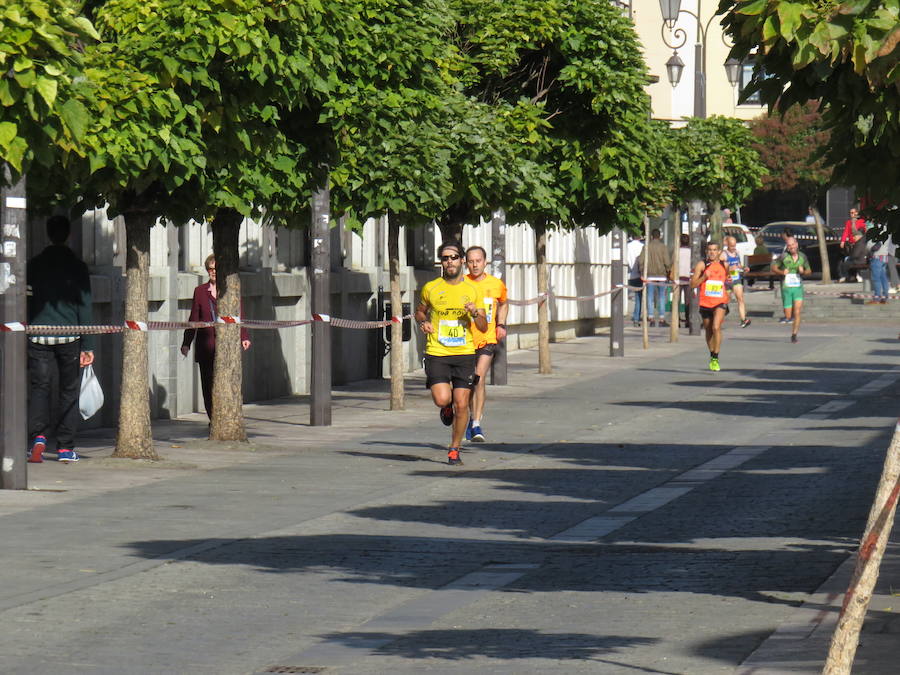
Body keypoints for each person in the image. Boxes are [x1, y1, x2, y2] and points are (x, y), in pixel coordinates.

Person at [27, 215, 95, 463]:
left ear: (47, 234)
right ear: (69, 235)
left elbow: (27, 298)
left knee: (39, 388)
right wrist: (88, 344)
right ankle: (66, 447)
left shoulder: (34, 265)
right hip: (69, 335)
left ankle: (38, 437)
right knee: (68, 390)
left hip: (38, 334)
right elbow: (84, 306)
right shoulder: (77, 267)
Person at [415, 241, 487, 465]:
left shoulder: (473, 290)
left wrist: (475, 313)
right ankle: (445, 408)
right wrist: (424, 322)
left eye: (454, 257)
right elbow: (420, 312)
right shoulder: (432, 288)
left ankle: (454, 448)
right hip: (437, 351)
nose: (450, 261)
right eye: (445, 258)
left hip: (464, 353)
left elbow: (483, 326)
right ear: (441, 263)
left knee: (462, 404)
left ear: (462, 260)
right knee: (442, 399)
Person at [180, 255, 251, 419]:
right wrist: (186, 343)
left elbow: (239, 315)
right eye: (210, 269)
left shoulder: (230, 291)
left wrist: (244, 336)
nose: (213, 272)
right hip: (207, 349)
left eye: (216, 269)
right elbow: (194, 319)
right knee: (208, 386)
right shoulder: (200, 292)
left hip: (226, 348)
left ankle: (227, 418)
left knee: (226, 385)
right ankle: (213, 420)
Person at [463, 245, 508, 443]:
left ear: (485, 262)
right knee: (465, 383)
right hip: (464, 340)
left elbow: (504, 303)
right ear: (466, 263)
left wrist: (501, 324)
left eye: (478, 261)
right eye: (471, 261)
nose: (474, 265)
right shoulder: (460, 283)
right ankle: (466, 417)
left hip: (487, 338)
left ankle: (476, 423)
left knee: (478, 378)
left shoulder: (496, 284)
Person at [691, 241, 729, 372]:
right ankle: (712, 353)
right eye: (710, 250)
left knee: (716, 327)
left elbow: (728, 279)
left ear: (719, 252)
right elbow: (692, 284)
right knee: (708, 329)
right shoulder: (702, 265)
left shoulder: (724, 264)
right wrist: (703, 278)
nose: (712, 252)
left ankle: (715, 357)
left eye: (715, 250)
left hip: (720, 301)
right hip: (706, 302)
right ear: (707, 252)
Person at [771, 237, 810, 343]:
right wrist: (781, 272)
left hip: (797, 288)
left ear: (796, 244)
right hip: (786, 288)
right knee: (788, 315)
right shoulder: (783, 256)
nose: (791, 247)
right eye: (789, 245)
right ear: (787, 247)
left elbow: (809, 271)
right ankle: (789, 316)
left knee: (797, 312)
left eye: (792, 244)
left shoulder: (802, 256)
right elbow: (774, 267)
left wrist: (803, 271)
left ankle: (794, 334)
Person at [637, 228, 671, 327]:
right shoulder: (663, 247)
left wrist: (642, 271)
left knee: (650, 296)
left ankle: (650, 317)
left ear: (651, 236)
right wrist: (668, 271)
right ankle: (661, 318)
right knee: (661, 297)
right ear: (659, 236)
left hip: (650, 275)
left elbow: (641, 260)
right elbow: (667, 262)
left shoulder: (646, 247)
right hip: (662, 275)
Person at [721, 235, 750, 328]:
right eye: (731, 246)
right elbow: (720, 268)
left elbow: (738, 264)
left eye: (734, 246)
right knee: (725, 301)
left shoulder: (737, 253)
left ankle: (743, 319)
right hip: (727, 280)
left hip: (736, 278)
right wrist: (729, 268)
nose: (733, 248)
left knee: (740, 299)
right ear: (728, 245)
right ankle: (719, 317)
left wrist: (744, 268)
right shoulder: (723, 254)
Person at [626, 235, 644, 327]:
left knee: (624, 296)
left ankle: (620, 316)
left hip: (628, 275)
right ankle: (636, 318)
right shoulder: (642, 247)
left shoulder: (627, 246)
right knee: (638, 298)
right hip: (638, 275)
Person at [867, 236, 891, 305]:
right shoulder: (887, 229)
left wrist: (870, 249)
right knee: (883, 278)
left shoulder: (879, 229)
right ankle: (885, 297)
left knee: (876, 278)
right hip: (884, 256)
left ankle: (877, 298)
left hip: (877, 256)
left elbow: (876, 245)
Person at [676, 234, 692, 328]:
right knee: (688, 300)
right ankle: (688, 320)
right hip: (688, 277)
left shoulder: (677, 251)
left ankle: (676, 320)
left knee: (677, 300)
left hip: (678, 277)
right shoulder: (691, 251)